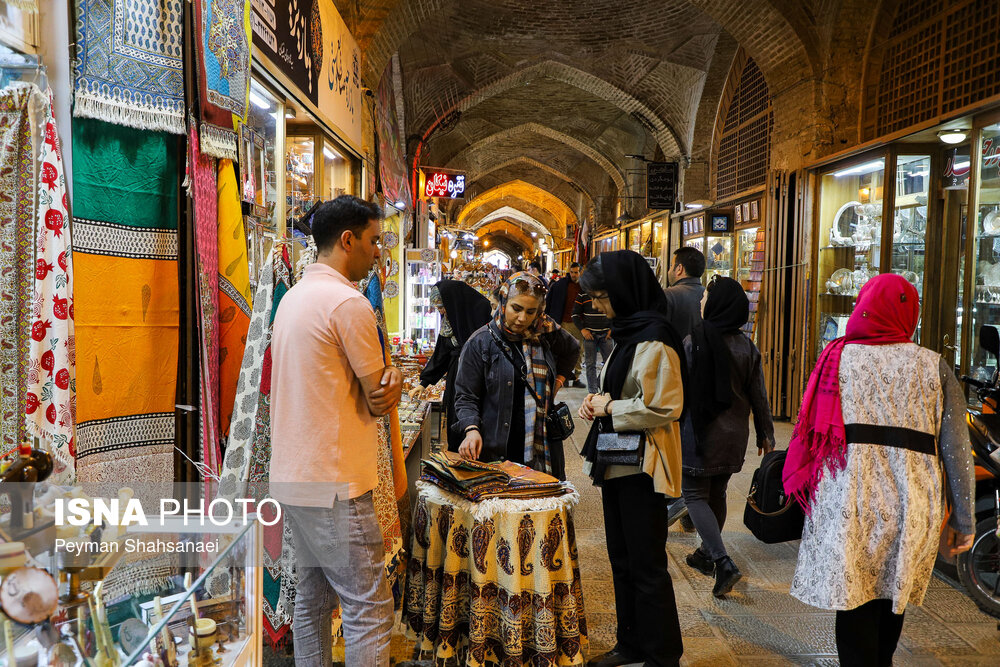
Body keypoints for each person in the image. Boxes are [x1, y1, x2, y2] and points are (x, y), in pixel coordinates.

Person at [783, 273, 975, 666]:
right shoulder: (934, 366)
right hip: (912, 502)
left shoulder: (837, 356)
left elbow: (811, 433)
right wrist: (966, 518)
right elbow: (957, 449)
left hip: (849, 499)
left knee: (852, 598)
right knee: (892, 594)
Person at [269, 195, 401, 666]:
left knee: (313, 600)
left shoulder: (295, 299)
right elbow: (378, 397)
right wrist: (395, 379)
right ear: (348, 241)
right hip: (334, 482)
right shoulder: (347, 303)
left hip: (293, 473)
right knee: (369, 608)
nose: (377, 251)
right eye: (373, 241)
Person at [577, 250, 686, 667]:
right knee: (621, 560)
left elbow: (664, 406)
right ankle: (632, 642)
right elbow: (621, 392)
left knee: (647, 565)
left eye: (603, 296)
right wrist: (596, 401)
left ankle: (662, 653)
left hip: (643, 467)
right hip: (617, 463)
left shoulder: (656, 339)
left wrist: (610, 409)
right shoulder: (629, 333)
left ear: (624, 289)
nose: (599, 306)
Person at [681, 277, 775, 597]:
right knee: (717, 493)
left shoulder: (694, 341)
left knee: (694, 495)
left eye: (705, 295)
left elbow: (677, 390)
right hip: (734, 437)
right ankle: (707, 554)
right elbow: (758, 395)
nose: (701, 300)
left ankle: (722, 561)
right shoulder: (747, 346)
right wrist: (766, 433)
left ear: (717, 303)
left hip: (701, 435)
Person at [453, 271, 579, 479]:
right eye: (516, 309)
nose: (522, 318)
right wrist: (471, 429)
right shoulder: (481, 342)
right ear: (503, 302)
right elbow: (466, 395)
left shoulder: (546, 333)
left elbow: (572, 349)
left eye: (531, 312)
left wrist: (558, 381)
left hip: (543, 446)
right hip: (497, 448)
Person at [409, 279, 492, 451]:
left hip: (480, 381)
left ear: (453, 302)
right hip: (456, 379)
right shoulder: (450, 321)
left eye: (441, 306)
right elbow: (442, 355)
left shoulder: (479, 316)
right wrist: (424, 383)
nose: (440, 311)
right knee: (457, 423)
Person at [545, 262, 584, 384]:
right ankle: (564, 375)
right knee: (563, 350)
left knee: (579, 350)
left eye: (576, 272)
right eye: (572, 272)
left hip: (579, 324)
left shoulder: (585, 286)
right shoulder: (560, 285)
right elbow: (549, 302)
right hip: (564, 322)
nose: (574, 275)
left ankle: (576, 376)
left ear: (580, 272)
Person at [573, 288, 613, 394]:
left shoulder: (608, 292)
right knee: (590, 364)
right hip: (590, 335)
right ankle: (593, 392)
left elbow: (616, 311)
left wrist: (612, 329)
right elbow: (575, 315)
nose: (595, 306)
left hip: (606, 335)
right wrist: (582, 330)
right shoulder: (582, 294)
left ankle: (601, 385)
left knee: (610, 363)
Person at [663, 247, 706, 340]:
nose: (669, 271)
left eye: (671, 266)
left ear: (679, 268)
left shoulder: (668, 295)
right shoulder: (709, 294)